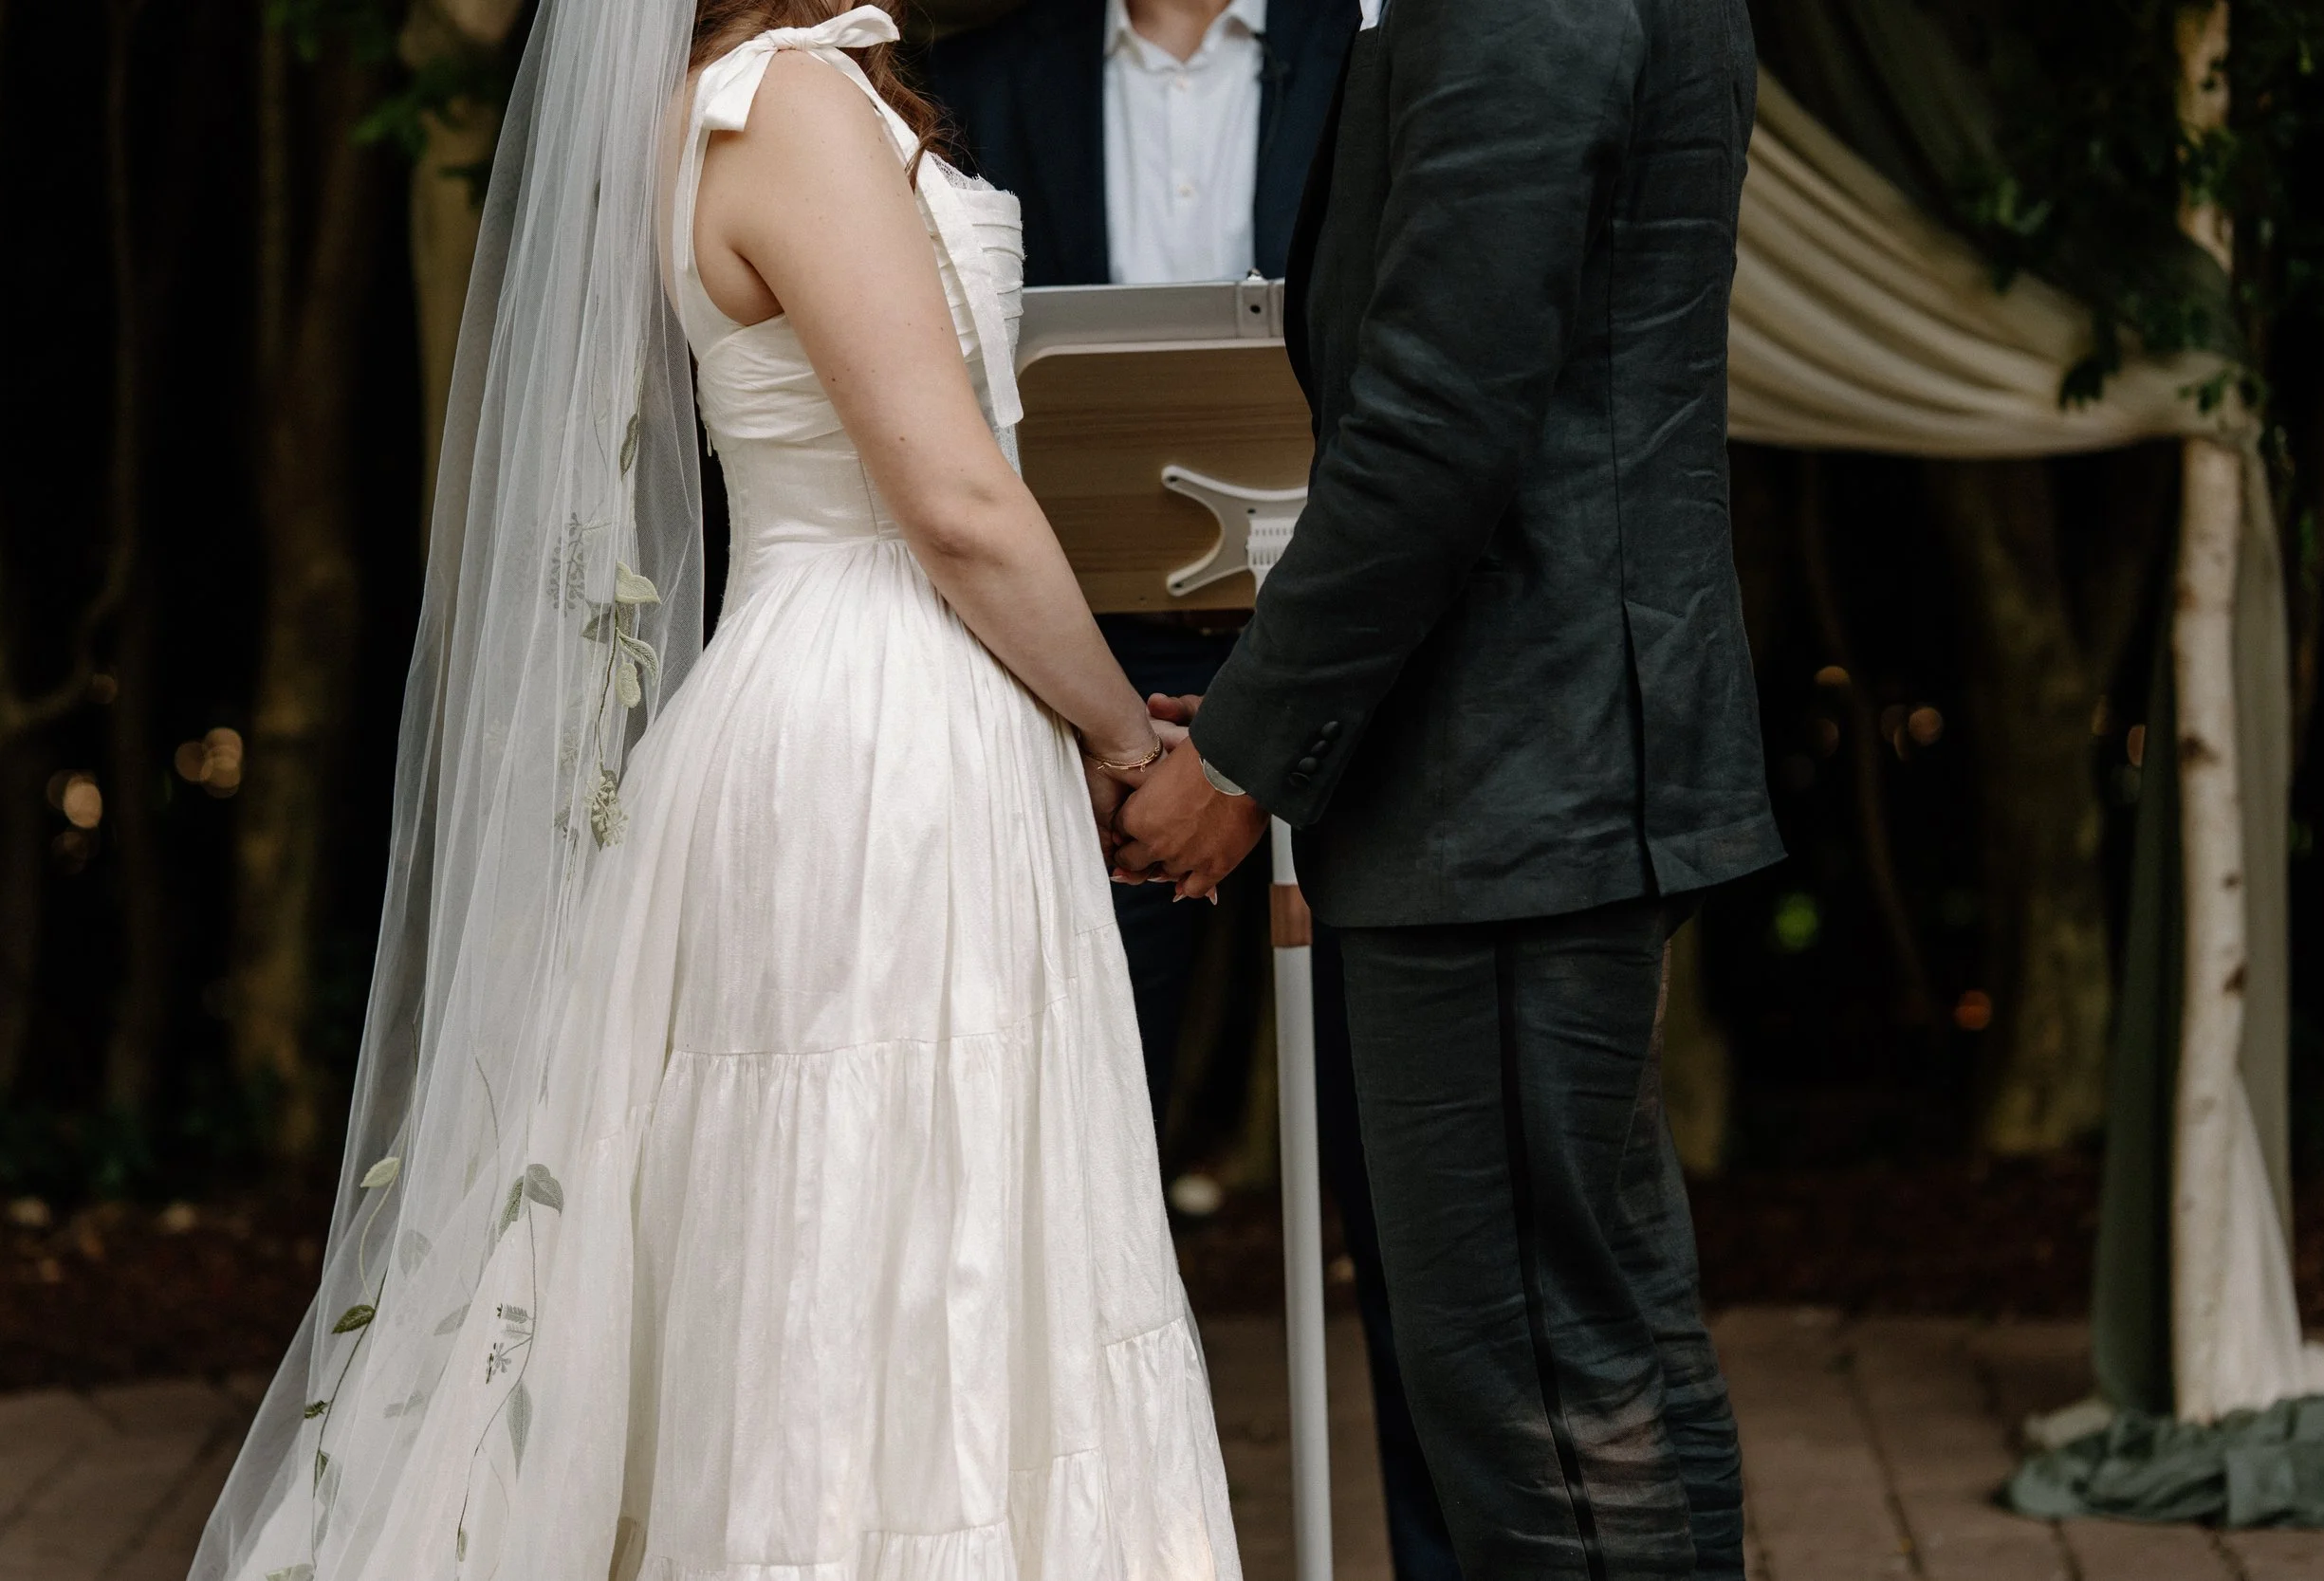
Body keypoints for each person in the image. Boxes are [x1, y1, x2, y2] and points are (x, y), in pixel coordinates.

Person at [190, 2, 1241, 1577]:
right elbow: (954, 503)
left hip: (879, 692)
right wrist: (1128, 741)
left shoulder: (741, 97)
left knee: (852, 1220)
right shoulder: (788, 105)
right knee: (871, 1232)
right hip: (877, 725)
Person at [1114, 0, 1782, 1574]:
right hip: (1535, 767)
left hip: (1505, 790)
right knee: (1605, 1354)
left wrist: (1241, 753)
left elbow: (1437, 427)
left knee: (1534, 1394)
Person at [928, 10, 1460, 1581]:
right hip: (1079, 682)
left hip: (1360, 670)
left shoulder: (1366, 44)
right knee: (1064, 1146)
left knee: (1412, 1189)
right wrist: (1108, 719)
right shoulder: (984, 74)